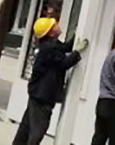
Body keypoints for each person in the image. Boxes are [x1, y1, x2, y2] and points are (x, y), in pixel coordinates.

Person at [13, 17, 87, 145]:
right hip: (42, 97)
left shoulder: (51, 45)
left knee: (26, 127)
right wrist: (76, 53)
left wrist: (77, 33)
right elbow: (63, 63)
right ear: (50, 33)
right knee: (38, 130)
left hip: (38, 94)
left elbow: (64, 47)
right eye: (54, 25)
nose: (57, 24)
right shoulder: (49, 49)